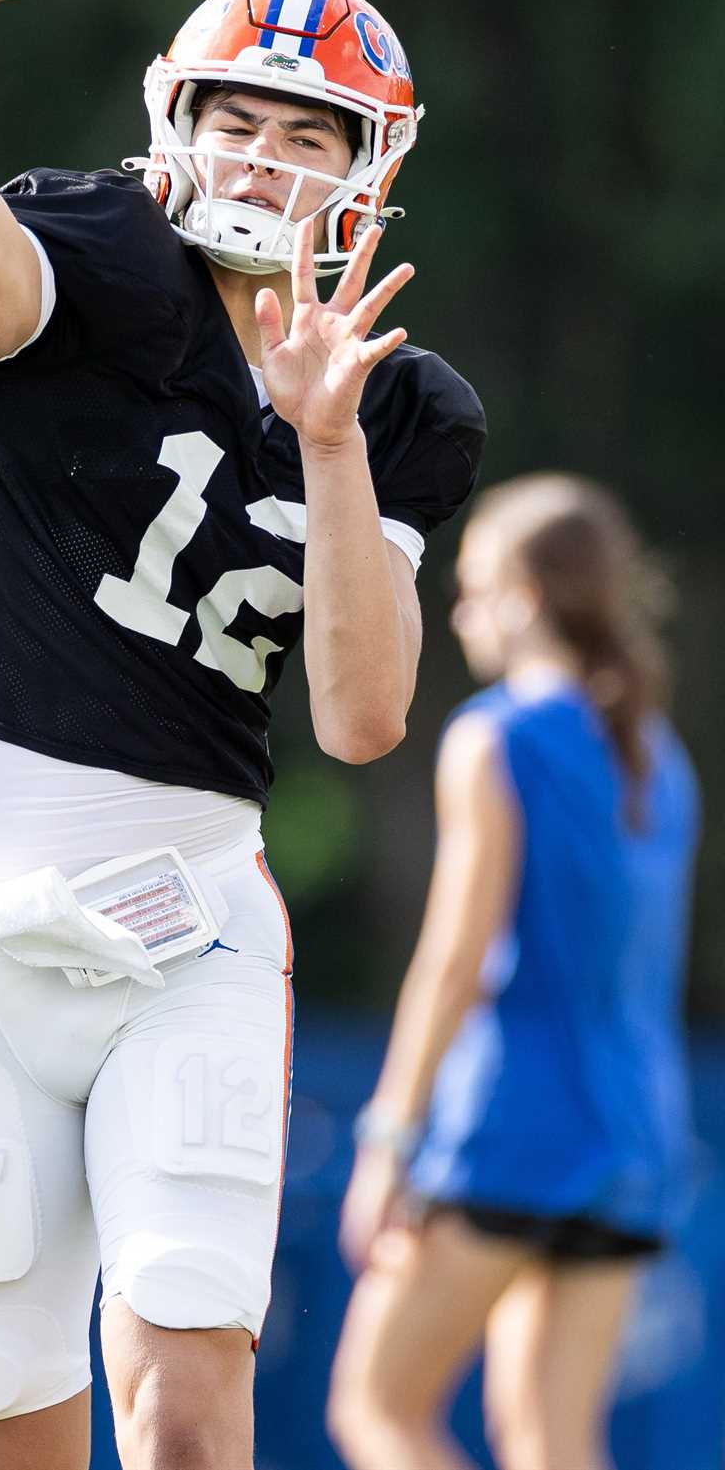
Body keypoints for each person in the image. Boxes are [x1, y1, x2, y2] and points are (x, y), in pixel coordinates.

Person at [0, 0, 486, 1470]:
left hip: (188, 917)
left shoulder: (400, 401)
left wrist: (327, 444)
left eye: (305, 135)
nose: (265, 163)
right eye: (237, 121)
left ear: (369, 168)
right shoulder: (91, 254)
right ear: (176, 124)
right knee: (2, 1423)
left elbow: (359, 716)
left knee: (189, 1409)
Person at [328, 474, 699, 1470]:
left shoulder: (493, 736)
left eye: (472, 584)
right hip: (634, 1137)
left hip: (510, 1132)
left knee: (374, 1407)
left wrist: (387, 1138)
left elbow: (452, 960)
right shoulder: (658, 758)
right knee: (551, 1442)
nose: (455, 611)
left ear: (523, 598)